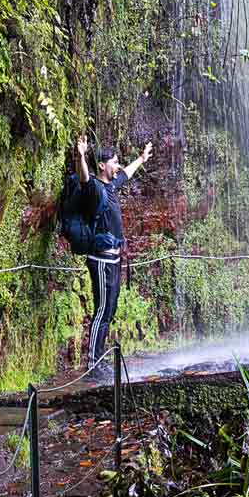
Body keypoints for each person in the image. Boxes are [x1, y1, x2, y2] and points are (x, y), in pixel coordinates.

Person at [75, 134, 153, 367]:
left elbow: (126, 174)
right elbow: (84, 178)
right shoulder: (95, 188)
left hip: (114, 258)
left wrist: (141, 158)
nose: (118, 165)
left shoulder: (112, 185)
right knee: (101, 309)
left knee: (110, 308)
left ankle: (99, 356)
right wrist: (81, 156)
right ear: (102, 165)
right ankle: (92, 362)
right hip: (100, 259)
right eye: (114, 162)